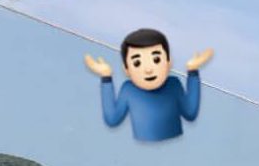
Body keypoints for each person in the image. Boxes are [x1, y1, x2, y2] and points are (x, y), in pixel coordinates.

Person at [83, 28, 214, 141]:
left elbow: (190, 113)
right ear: (126, 69)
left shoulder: (174, 84)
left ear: (168, 63)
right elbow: (112, 119)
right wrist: (106, 76)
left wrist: (193, 71)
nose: (148, 69)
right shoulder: (129, 89)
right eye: (137, 63)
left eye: (156, 59)